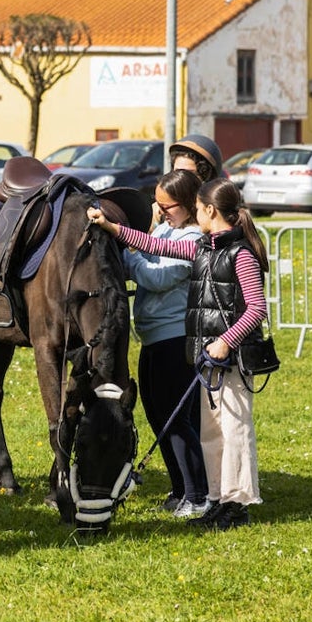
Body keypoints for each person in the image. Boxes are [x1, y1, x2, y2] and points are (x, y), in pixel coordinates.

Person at [88, 178, 268, 531]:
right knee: (212, 432)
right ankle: (216, 500)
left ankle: (239, 505)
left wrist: (225, 341)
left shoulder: (241, 254)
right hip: (207, 357)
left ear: (209, 210)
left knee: (233, 432)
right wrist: (111, 227)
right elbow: (152, 243)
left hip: (229, 358)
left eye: (198, 209)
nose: (195, 216)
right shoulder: (203, 248)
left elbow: (257, 308)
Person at [124, 170, 210, 519]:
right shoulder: (164, 229)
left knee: (177, 420)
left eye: (166, 205)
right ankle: (179, 489)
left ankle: (197, 494)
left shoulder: (192, 239)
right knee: (160, 418)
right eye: (156, 204)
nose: (160, 211)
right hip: (152, 336)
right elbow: (146, 252)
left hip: (174, 338)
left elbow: (154, 277)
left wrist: (126, 253)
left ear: (188, 204)